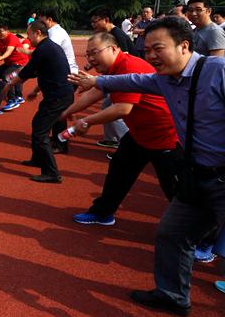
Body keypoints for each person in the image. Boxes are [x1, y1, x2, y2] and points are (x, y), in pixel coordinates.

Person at [70, 16, 225, 316]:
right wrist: (96, 81)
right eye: (147, 49)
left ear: (184, 46)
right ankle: (172, 296)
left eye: (158, 48)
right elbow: (131, 81)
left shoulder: (218, 71)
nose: (151, 55)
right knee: (171, 234)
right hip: (196, 175)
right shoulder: (163, 79)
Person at [62, 32, 179, 225]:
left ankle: (197, 233)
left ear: (114, 49)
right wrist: (68, 112)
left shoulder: (129, 66)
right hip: (139, 133)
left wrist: (87, 121)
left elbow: (123, 108)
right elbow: (97, 91)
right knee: (119, 172)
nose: (90, 59)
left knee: (175, 188)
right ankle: (102, 213)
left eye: (95, 53)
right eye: (88, 54)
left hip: (164, 136)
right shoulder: (113, 68)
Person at [4, 20, 73, 183]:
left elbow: (27, 72)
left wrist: (8, 85)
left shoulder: (44, 49)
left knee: (40, 132)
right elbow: (43, 72)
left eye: (29, 34)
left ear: (38, 33)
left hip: (58, 96)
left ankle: (51, 173)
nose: (27, 38)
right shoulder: (48, 47)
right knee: (38, 125)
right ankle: (37, 159)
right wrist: (35, 91)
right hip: (58, 94)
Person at [89, 8, 134, 149]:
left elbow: (124, 61)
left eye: (95, 21)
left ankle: (126, 147)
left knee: (114, 112)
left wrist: (105, 80)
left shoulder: (117, 35)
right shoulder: (110, 35)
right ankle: (111, 139)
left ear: (106, 20)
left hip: (127, 79)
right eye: (91, 22)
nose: (93, 24)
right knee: (106, 107)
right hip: (119, 78)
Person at [38, 10, 78, 154]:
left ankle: (60, 143)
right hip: (63, 76)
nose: (40, 24)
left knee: (57, 110)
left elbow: (46, 51)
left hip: (67, 76)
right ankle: (57, 139)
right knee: (57, 109)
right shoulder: (53, 32)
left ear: (49, 19)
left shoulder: (56, 33)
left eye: (42, 20)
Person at [0, 25, 30, 112]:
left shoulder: (12, 38)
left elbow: (9, 51)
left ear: (7, 31)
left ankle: (12, 100)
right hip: (9, 64)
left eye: (1, 31)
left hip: (20, 64)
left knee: (7, 77)